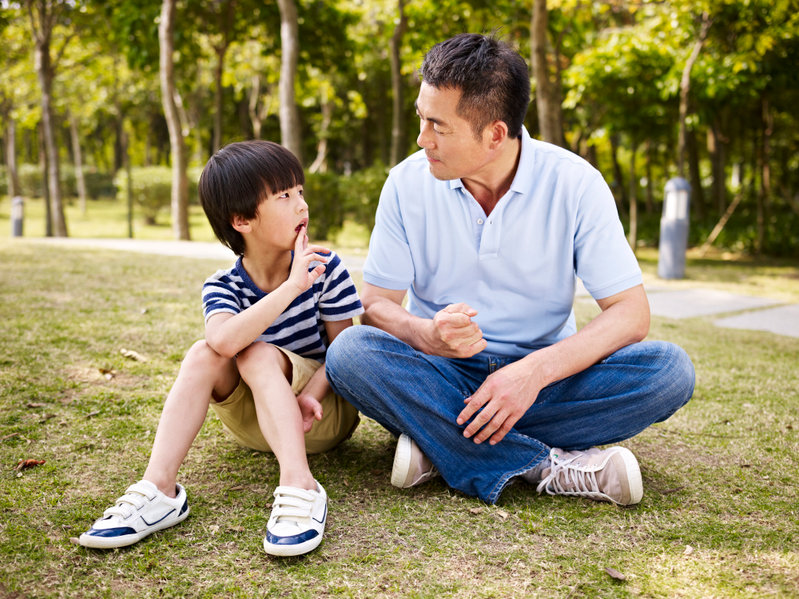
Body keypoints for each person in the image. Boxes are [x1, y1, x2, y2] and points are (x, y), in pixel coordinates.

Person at [325, 33, 694, 507]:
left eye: (438, 126)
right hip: (443, 374)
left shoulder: (576, 184)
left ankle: (440, 444)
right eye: (421, 118)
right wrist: (425, 334)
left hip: (546, 380)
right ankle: (542, 464)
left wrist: (531, 374)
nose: (422, 139)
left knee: (669, 371)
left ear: (495, 134)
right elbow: (375, 306)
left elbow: (630, 314)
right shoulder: (405, 184)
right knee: (351, 354)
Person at [79, 140, 363, 556]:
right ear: (242, 219)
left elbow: (345, 351)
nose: (301, 205)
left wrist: (312, 394)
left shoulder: (324, 268)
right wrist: (291, 287)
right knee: (205, 353)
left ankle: (300, 483)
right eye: (284, 196)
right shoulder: (223, 285)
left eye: (300, 191)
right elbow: (223, 340)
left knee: (258, 352)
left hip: (319, 416)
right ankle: (159, 489)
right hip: (254, 424)